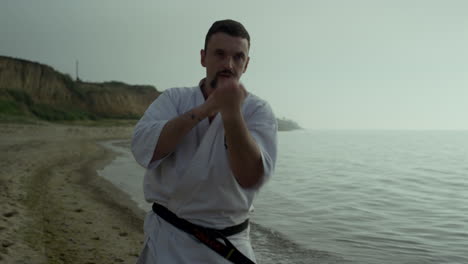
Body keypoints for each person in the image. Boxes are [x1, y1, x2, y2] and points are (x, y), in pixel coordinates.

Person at [131, 19, 277, 263]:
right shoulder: (175, 98)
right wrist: (203, 110)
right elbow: (144, 149)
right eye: (219, 54)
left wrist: (232, 115)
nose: (228, 65)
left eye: (238, 57)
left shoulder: (257, 110)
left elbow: (251, 176)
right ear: (203, 57)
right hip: (168, 239)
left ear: (247, 64)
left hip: (227, 246)